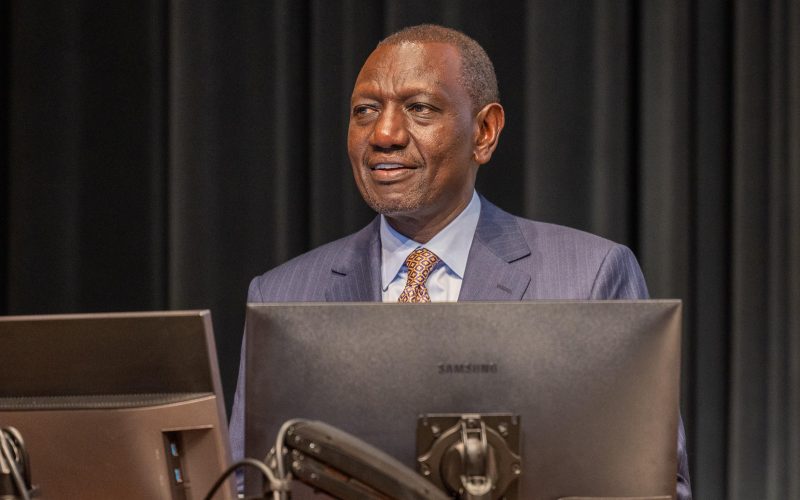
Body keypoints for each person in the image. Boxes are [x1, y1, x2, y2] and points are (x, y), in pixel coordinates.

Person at [230, 24, 692, 498]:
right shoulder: (283, 295)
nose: (384, 134)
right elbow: (247, 481)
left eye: (419, 108)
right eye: (366, 110)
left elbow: (656, 486)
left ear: (484, 131)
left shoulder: (590, 276)